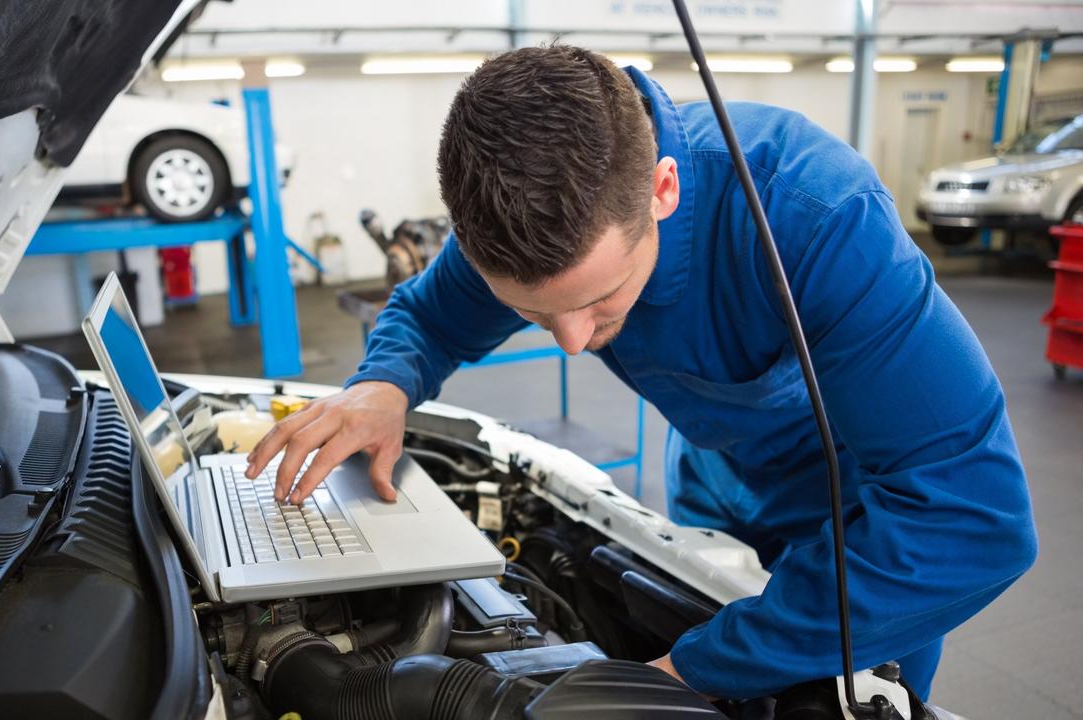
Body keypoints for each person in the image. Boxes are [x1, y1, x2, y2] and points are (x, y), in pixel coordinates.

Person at [244, 44, 1037, 701]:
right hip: (710, 480)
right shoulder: (523, 217)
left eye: (600, 299)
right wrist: (384, 386)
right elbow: (428, 314)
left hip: (865, 520)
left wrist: (684, 672)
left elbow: (970, 516)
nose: (573, 342)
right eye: (534, 313)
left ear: (663, 189)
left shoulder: (815, 215)